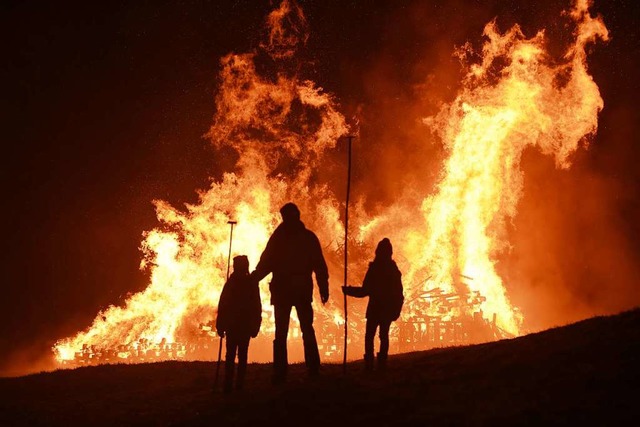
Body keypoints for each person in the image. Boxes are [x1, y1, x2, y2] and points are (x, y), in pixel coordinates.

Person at [250, 202, 329, 384]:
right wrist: (253, 278)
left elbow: (318, 264)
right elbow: (266, 263)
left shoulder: (291, 238)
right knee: (286, 331)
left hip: (289, 290)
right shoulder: (296, 238)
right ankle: (288, 370)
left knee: (302, 329)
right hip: (289, 290)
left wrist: (323, 286)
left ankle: (305, 368)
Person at [342, 238, 403, 372]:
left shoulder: (375, 270)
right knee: (383, 336)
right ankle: (381, 364)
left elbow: (365, 291)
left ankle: (370, 364)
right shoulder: (393, 271)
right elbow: (399, 294)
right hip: (384, 310)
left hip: (376, 309)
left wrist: (348, 291)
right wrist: (396, 310)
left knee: (370, 336)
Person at [216, 255, 262, 393]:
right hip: (243, 325)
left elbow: (222, 305)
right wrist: (255, 325)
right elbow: (256, 307)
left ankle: (228, 385)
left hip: (234, 325)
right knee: (242, 355)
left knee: (231, 355)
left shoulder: (231, 284)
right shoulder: (250, 284)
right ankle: (237, 385)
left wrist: (221, 325)